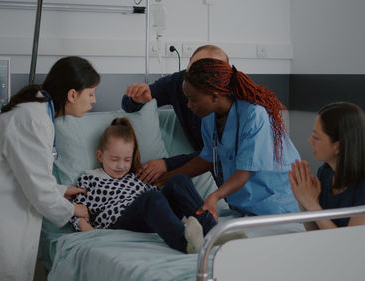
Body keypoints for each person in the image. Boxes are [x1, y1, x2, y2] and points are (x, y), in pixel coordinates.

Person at [0, 56, 99, 281]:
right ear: (72, 95)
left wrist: (61, 190)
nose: (94, 100)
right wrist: (74, 210)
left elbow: (26, 172)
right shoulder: (33, 119)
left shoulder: (36, 111)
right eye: (90, 93)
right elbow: (39, 191)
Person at [157, 58, 301, 221]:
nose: (189, 105)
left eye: (193, 99)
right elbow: (208, 158)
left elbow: (244, 172)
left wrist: (215, 196)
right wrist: (165, 179)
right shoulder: (208, 119)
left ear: (214, 96)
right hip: (244, 208)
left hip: (277, 206)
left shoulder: (254, 115)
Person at [69, 117, 219, 254]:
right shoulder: (90, 178)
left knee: (178, 180)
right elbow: (75, 210)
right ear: (100, 156)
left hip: (150, 216)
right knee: (151, 197)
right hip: (121, 221)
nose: (121, 165)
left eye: (127, 160)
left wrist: (173, 220)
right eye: (114, 159)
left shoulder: (136, 178)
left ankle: (214, 232)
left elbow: (160, 205)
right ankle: (186, 244)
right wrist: (88, 230)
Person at [122, 45, 228, 183]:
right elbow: (130, 103)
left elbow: (216, 155)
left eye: (211, 73)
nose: (200, 78)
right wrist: (136, 98)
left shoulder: (233, 105)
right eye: (196, 68)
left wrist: (167, 165)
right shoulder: (177, 82)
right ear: (189, 63)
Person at [288, 102, 365, 230]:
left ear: (338, 146)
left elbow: (349, 246)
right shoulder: (326, 173)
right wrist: (303, 199)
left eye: (316, 137)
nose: (310, 140)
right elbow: (316, 233)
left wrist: (312, 205)